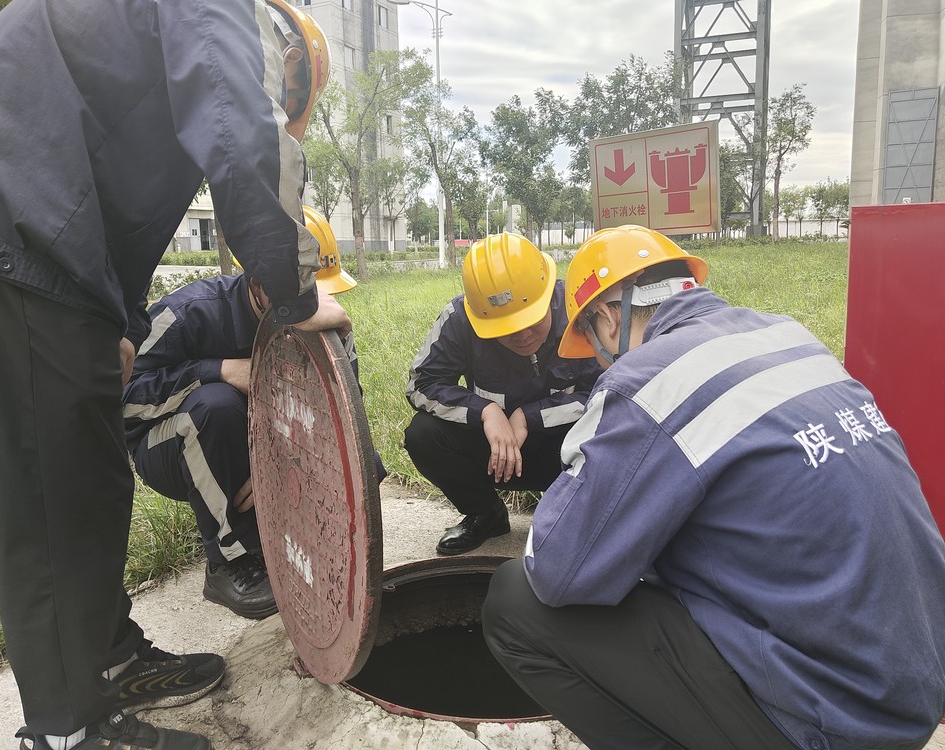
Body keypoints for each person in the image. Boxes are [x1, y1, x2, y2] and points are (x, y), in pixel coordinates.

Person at [0, 1, 347, 749]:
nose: (279, 114)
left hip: (45, 253)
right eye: (288, 102)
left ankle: (108, 657)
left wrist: (119, 323)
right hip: (1, 233)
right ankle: (68, 731)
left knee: (91, 480)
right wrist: (293, 294)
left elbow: (109, 182)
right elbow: (238, 136)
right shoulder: (218, 9)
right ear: (285, 55)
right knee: (47, 499)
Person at [482, 225, 945, 750]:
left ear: (607, 318)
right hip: (910, 694)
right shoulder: (788, 336)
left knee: (514, 602)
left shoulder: (652, 379)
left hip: (826, 723)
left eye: (592, 341)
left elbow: (557, 568)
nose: (597, 356)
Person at [123, 207, 377, 620]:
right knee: (216, 407)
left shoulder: (323, 321)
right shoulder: (189, 312)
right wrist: (217, 370)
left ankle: (283, 529)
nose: (312, 310)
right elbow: (123, 399)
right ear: (257, 284)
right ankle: (229, 559)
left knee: (369, 466)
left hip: (262, 442)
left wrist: (342, 344)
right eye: (300, 301)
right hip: (171, 443)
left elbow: (344, 420)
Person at [404, 232, 602, 556]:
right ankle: (486, 514)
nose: (523, 336)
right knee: (423, 434)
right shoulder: (459, 318)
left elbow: (610, 390)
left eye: (532, 320)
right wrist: (484, 411)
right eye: (505, 329)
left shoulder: (582, 310)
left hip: (564, 451)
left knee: (614, 433)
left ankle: (578, 518)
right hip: (496, 456)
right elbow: (422, 383)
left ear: (549, 293)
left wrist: (530, 417)